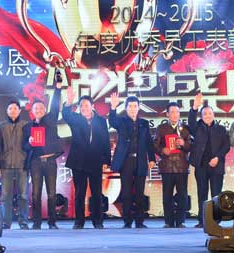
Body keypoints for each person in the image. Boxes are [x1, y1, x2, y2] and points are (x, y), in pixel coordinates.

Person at [63, 87, 111, 229]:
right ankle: (79, 221)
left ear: (92, 106)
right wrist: (68, 102)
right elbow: (65, 114)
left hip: (95, 161)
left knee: (97, 193)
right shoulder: (75, 119)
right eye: (81, 106)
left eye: (86, 105)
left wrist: (106, 160)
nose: (84, 108)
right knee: (80, 193)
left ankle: (98, 221)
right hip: (78, 162)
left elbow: (105, 141)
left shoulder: (101, 121)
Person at [108, 93, 156, 228]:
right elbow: (112, 121)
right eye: (130, 106)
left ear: (139, 108)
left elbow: (149, 142)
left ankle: (140, 221)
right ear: (126, 108)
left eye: (135, 106)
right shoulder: (121, 121)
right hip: (126, 161)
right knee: (127, 192)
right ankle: (127, 221)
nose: (133, 109)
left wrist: (152, 158)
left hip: (140, 161)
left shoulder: (144, 123)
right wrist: (113, 107)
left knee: (140, 192)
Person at [23, 85, 63, 230]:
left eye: (41, 108)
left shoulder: (51, 119)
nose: (38, 110)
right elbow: (24, 147)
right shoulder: (27, 127)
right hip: (36, 163)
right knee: (35, 194)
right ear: (32, 111)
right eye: (36, 109)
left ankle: (52, 222)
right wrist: (29, 142)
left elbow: (55, 106)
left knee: (51, 193)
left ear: (44, 110)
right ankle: (37, 222)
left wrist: (57, 90)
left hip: (50, 161)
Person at [188, 93, 231, 228]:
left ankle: (215, 220)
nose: (207, 116)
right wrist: (194, 108)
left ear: (214, 115)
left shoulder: (221, 129)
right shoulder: (196, 128)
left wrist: (217, 157)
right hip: (201, 165)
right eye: (205, 114)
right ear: (201, 116)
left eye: (210, 113)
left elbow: (226, 146)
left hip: (216, 165)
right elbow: (191, 121)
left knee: (216, 194)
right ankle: (202, 220)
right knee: (202, 193)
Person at [154, 102, 192, 228]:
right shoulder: (161, 128)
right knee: (167, 195)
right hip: (167, 166)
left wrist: (184, 144)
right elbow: (155, 145)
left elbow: (192, 145)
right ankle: (168, 221)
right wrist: (162, 150)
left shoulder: (185, 128)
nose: (175, 114)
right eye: (172, 112)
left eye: (177, 112)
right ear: (167, 114)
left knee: (182, 195)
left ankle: (181, 221)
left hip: (182, 166)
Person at [0, 99, 30, 229]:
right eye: (10, 108)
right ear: (7, 111)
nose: (13, 111)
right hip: (5, 165)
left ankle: (24, 221)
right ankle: (6, 222)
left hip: (22, 165)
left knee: (23, 195)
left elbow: (30, 145)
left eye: (15, 108)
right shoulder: (1, 127)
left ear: (19, 110)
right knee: (5, 196)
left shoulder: (26, 125)